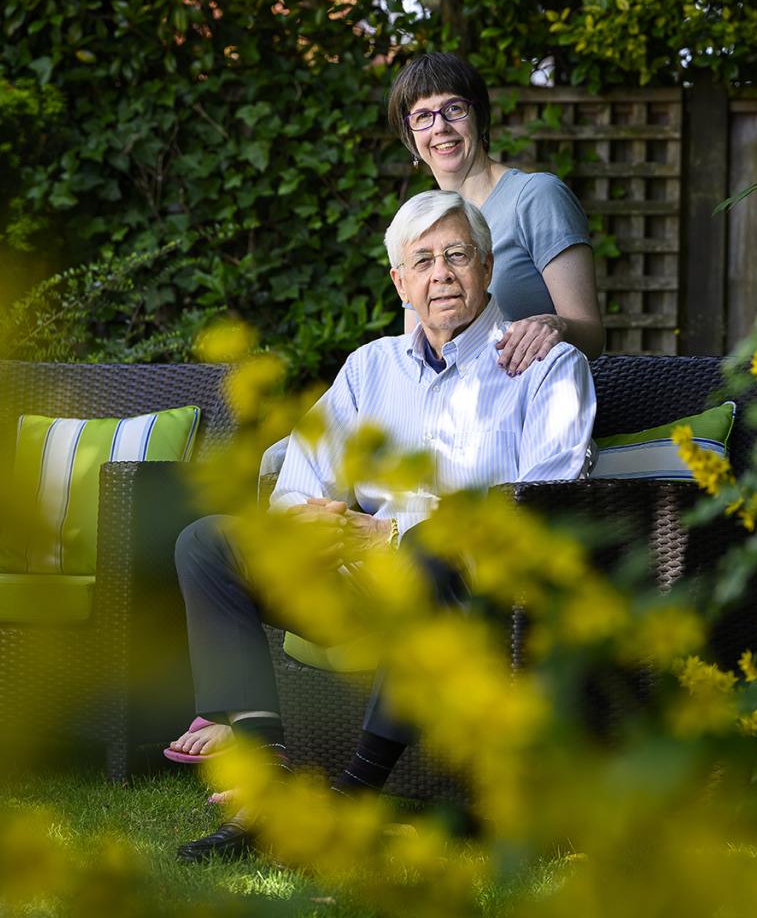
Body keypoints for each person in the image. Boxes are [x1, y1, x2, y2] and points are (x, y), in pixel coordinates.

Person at [174, 190, 596, 862]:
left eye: (457, 255)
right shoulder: (369, 370)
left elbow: (548, 500)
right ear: (400, 283)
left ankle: (356, 792)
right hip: (357, 587)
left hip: (480, 598)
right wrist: (314, 525)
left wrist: (392, 533)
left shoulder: (547, 368)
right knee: (208, 542)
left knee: (430, 546)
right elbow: (299, 482)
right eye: (422, 261)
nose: (441, 274)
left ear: (487, 266)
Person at [387, 52, 604, 376]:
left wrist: (554, 325)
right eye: (422, 116)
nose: (440, 127)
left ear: (480, 116)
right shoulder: (421, 224)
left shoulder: (536, 197)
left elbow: (592, 337)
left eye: (454, 109)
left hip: (532, 397)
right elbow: (416, 353)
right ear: (410, 135)